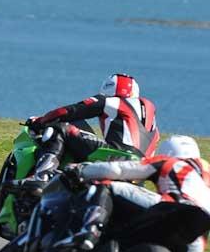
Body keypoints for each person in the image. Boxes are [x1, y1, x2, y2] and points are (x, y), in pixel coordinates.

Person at [63, 136, 210, 252]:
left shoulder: (170, 163)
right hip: (196, 237)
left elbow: (117, 170)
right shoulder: (205, 181)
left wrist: (82, 170)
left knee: (107, 187)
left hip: (173, 207)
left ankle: (89, 234)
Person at [28, 73, 159, 181]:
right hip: (142, 168)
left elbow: (70, 111)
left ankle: (42, 176)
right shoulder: (149, 112)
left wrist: (40, 121)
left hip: (117, 154)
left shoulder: (111, 101)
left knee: (61, 128)